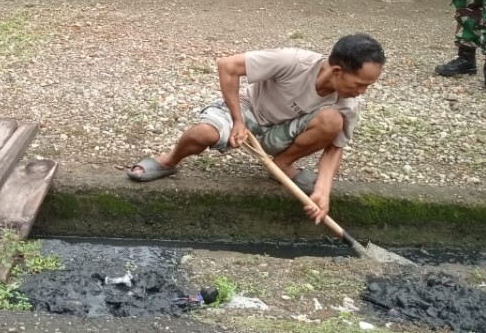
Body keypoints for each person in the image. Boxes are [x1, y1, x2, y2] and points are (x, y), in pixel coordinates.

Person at [127, 34, 385, 223]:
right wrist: (238, 120)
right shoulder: (295, 61)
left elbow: (335, 147)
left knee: (333, 121)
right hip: (247, 111)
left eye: (368, 86)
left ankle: (281, 166)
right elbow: (227, 66)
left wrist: (323, 190)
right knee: (203, 133)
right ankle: (170, 161)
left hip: (280, 132)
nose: (362, 92)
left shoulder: (348, 103)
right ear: (337, 71)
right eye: (360, 84)